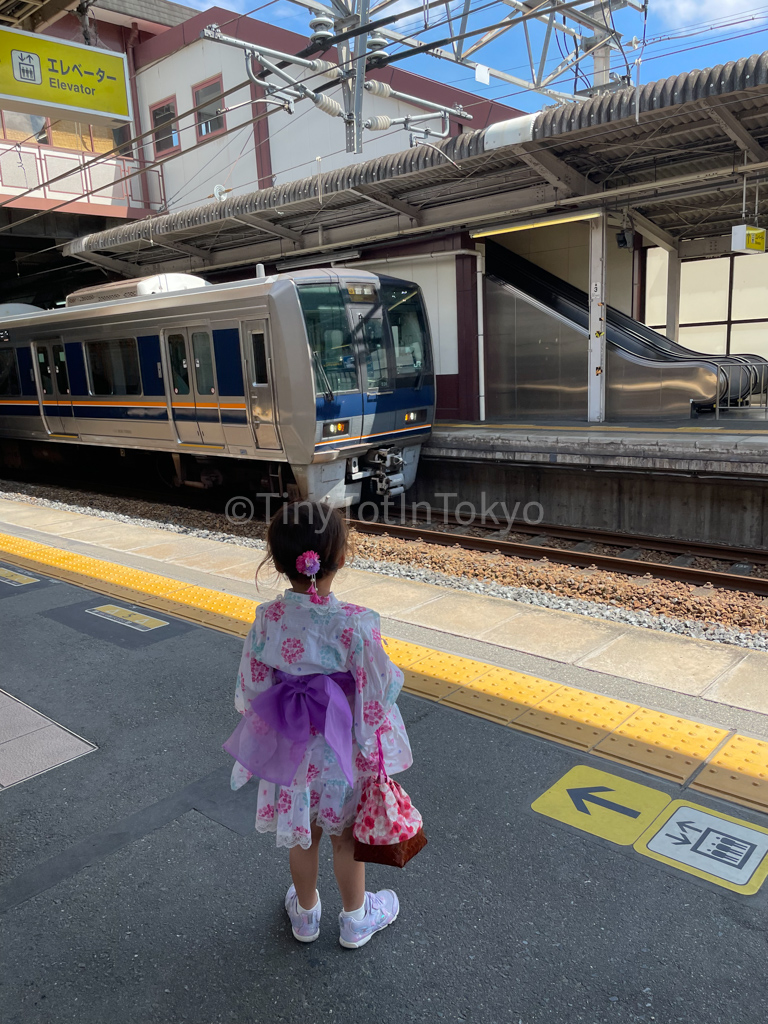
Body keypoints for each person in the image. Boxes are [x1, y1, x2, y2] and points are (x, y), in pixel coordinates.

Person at [223, 500, 413, 949]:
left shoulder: (267, 620)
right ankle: (355, 919)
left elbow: (250, 689)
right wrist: (368, 740)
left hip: (293, 753)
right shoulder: (356, 625)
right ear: (341, 558)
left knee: (303, 836)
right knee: (347, 839)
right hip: (341, 751)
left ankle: (305, 916)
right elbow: (379, 692)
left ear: (277, 561)